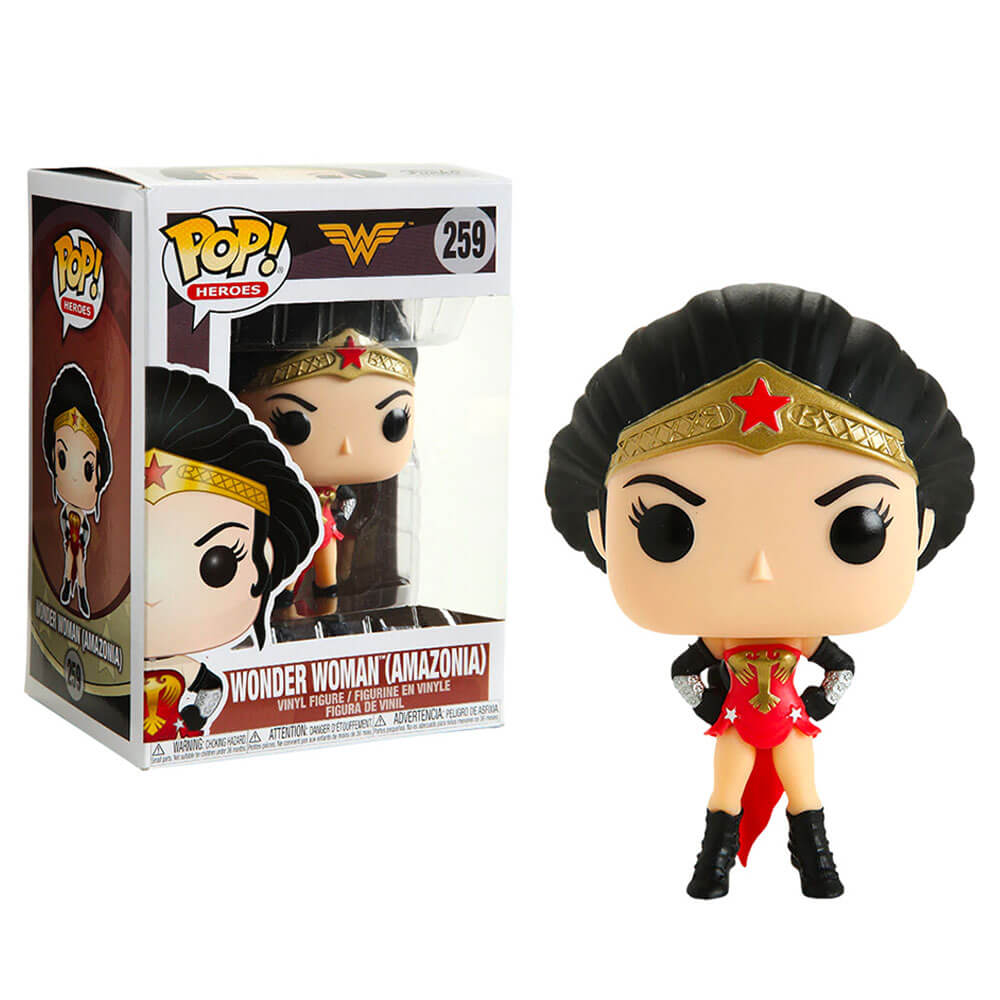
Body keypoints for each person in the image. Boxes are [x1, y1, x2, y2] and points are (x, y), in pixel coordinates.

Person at [545, 284, 974, 898]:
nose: (762, 569)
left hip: (786, 722)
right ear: (601, 530)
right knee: (725, 790)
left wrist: (817, 705)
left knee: (805, 789)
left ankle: (815, 863)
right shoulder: (727, 642)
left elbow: (840, 667)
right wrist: (709, 707)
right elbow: (684, 671)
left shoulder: (799, 639)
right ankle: (713, 865)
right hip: (742, 723)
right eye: (667, 527)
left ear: (920, 530)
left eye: (857, 528)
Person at [142, 366, 319, 741]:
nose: (152, 593)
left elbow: (210, 690)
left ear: (264, 563)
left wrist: (195, 717)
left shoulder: (190, 669)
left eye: (217, 564)